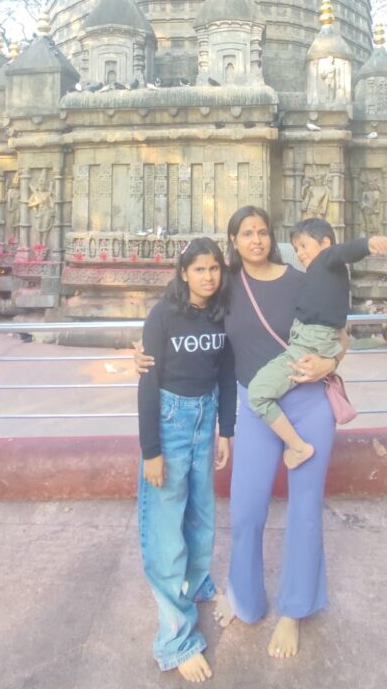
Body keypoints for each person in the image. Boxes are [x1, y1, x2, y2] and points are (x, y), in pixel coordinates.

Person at [134, 206, 347, 661]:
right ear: (234, 240)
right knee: (247, 509)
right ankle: (246, 599)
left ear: (272, 237)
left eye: (263, 232)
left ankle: (295, 609)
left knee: (305, 509)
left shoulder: (301, 280)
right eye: (247, 233)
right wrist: (142, 352)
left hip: (309, 404)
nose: (256, 240)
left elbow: (338, 332)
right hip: (255, 406)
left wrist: (330, 363)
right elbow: (179, 313)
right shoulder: (226, 286)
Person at [137, 237, 236, 684]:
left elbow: (228, 374)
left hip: (206, 418)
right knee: (165, 531)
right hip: (171, 422)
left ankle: (195, 585)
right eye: (199, 269)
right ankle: (175, 639)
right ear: (183, 273)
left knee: (201, 518)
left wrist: (226, 431)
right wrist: (151, 452)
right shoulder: (163, 315)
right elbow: (147, 382)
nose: (208, 277)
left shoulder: (221, 311)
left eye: (214, 268)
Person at [246, 217, 387, 469]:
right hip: (312, 339)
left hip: (310, 343)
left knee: (257, 393)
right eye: (297, 248)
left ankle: (298, 447)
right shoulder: (323, 273)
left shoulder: (326, 259)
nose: (300, 254)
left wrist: (368, 244)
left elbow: (343, 251)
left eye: (304, 246)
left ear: (324, 243)